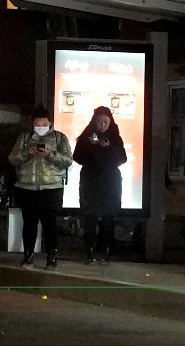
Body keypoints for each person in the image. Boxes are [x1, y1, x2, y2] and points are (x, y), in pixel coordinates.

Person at [8, 104, 72, 269]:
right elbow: (13, 159)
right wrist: (26, 152)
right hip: (27, 187)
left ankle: (52, 256)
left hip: (51, 188)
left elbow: (68, 160)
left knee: (50, 225)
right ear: (32, 124)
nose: (40, 127)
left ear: (50, 123)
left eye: (44, 124)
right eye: (37, 124)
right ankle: (28, 255)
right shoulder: (25, 137)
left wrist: (49, 155)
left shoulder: (59, 137)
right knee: (29, 224)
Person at [72, 106, 128, 264]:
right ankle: (89, 251)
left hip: (110, 182)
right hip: (90, 181)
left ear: (110, 122)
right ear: (94, 122)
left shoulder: (115, 137)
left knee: (108, 217)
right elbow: (77, 157)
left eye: (105, 122)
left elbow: (122, 158)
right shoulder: (86, 137)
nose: (102, 125)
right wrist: (92, 147)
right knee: (90, 216)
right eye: (99, 122)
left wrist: (108, 148)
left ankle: (106, 252)